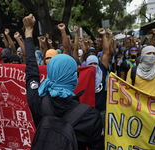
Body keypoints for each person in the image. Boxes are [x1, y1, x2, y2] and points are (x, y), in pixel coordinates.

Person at [23, 14, 102, 149]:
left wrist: (29, 31)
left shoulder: (37, 100)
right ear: (73, 78)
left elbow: (31, 70)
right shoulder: (91, 116)